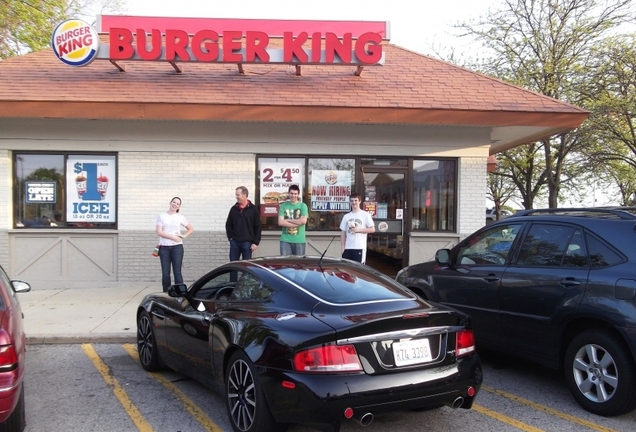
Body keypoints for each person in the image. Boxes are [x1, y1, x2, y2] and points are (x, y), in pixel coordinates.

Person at [156, 197, 194, 292]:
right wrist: (173, 237)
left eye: (177, 204)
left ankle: (180, 293)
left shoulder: (180, 217)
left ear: (179, 207)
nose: (175, 204)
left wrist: (183, 236)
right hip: (164, 247)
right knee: (165, 273)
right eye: (174, 202)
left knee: (177, 272)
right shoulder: (161, 216)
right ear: (170, 203)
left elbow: (190, 229)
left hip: (177, 247)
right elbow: (159, 232)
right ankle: (166, 293)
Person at [225, 186, 261, 261]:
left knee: (246, 266)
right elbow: (228, 224)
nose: (236, 197)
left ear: (244, 195)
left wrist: (256, 242)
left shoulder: (253, 209)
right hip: (235, 242)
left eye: (238, 195)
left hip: (247, 243)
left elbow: (258, 226)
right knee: (233, 265)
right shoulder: (234, 209)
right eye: (236, 195)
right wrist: (230, 238)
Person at [340, 192, 375, 263]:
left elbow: (372, 229)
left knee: (358, 271)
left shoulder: (365, 215)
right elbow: (343, 233)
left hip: (359, 247)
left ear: (360, 201)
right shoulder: (346, 216)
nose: (354, 202)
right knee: (346, 271)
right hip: (348, 248)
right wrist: (343, 249)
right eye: (352, 201)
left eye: (356, 200)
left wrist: (358, 230)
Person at [278, 184, 308, 255]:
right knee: (285, 264)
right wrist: (297, 222)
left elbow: (303, 221)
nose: (293, 196)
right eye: (291, 193)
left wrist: (288, 220)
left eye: (295, 194)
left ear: (298, 194)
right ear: (288, 193)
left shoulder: (303, 206)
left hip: (299, 240)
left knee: (299, 265)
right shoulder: (283, 206)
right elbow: (280, 222)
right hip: (285, 240)